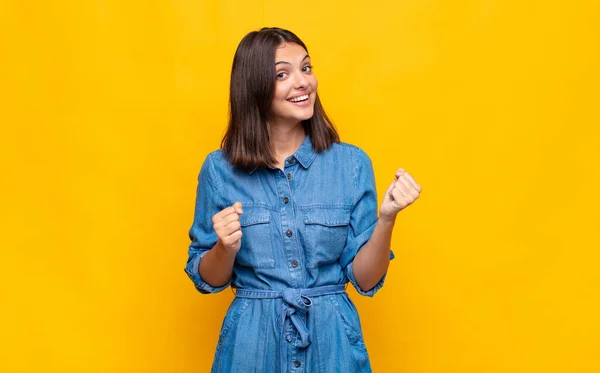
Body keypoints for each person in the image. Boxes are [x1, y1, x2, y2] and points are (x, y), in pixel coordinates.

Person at [185, 27, 422, 373]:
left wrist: (387, 219)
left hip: (333, 344)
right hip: (252, 346)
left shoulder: (352, 165)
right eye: (283, 74)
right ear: (254, 87)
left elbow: (366, 279)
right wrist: (225, 247)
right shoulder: (219, 170)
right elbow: (209, 279)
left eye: (306, 68)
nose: (303, 83)